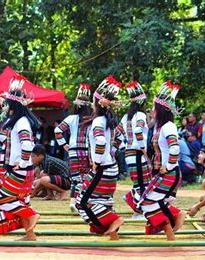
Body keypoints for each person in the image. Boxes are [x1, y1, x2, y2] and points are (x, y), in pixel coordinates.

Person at [0, 75, 41, 240]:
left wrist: (21, 163)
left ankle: (32, 215)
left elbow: (27, 144)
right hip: (20, 168)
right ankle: (30, 234)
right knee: (21, 200)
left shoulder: (21, 123)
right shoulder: (19, 121)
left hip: (19, 169)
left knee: (0, 197)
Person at [76, 75, 124, 240]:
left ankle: (114, 221)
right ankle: (112, 232)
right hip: (110, 166)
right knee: (103, 200)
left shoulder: (98, 121)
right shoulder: (107, 120)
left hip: (102, 167)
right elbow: (118, 139)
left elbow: (101, 141)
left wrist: (96, 161)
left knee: (82, 202)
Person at [138, 81, 185, 241]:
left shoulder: (168, 126)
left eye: (154, 108)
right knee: (152, 201)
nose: (151, 110)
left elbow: (175, 148)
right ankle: (171, 233)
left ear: (160, 110)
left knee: (148, 201)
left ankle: (177, 216)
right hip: (164, 171)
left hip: (170, 172)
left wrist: (168, 166)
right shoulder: (161, 126)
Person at [54, 83, 92, 212]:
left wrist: (64, 144)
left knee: (75, 178)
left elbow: (57, 130)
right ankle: (81, 202)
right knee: (87, 177)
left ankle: (73, 202)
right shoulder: (92, 120)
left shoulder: (71, 118)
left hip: (73, 151)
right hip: (87, 151)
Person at [114, 81, 150, 217]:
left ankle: (131, 198)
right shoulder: (140, 116)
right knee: (142, 182)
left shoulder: (126, 117)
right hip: (137, 152)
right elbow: (138, 130)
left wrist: (124, 146)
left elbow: (117, 132)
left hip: (129, 153)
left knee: (139, 181)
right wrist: (142, 147)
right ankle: (138, 210)